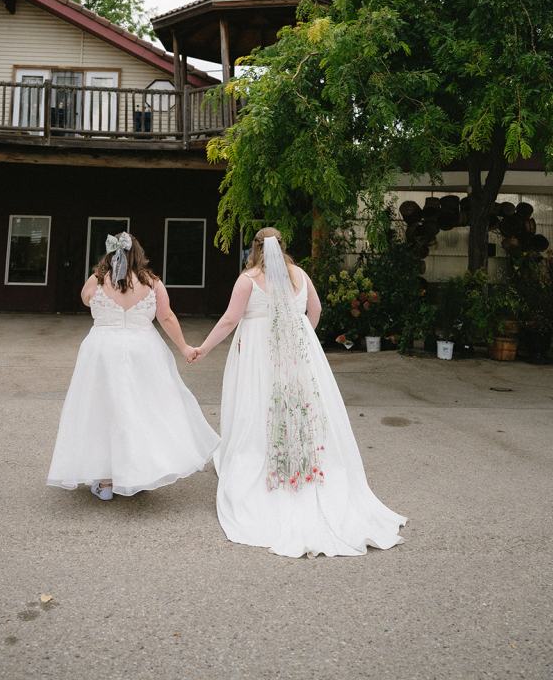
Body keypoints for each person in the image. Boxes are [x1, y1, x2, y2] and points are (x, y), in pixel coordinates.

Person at [189, 227, 407, 557]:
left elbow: (230, 319)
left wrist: (202, 349)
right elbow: (315, 312)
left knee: (260, 408)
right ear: (283, 247)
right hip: (298, 356)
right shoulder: (300, 275)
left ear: (255, 249)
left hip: (258, 359)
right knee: (302, 408)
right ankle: (303, 463)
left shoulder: (248, 280)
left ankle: (269, 466)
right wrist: (299, 337)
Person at [47, 232, 219, 500]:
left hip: (102, 351)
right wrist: (185, 347)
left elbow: (84, 297)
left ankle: (105, 482)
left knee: (101, 409)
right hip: (143, 350)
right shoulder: (152, 283)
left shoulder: (99, 279)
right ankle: (137, 474)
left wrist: (100, 274)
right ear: (138, 254)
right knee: (141, 408)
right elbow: (167, 316)